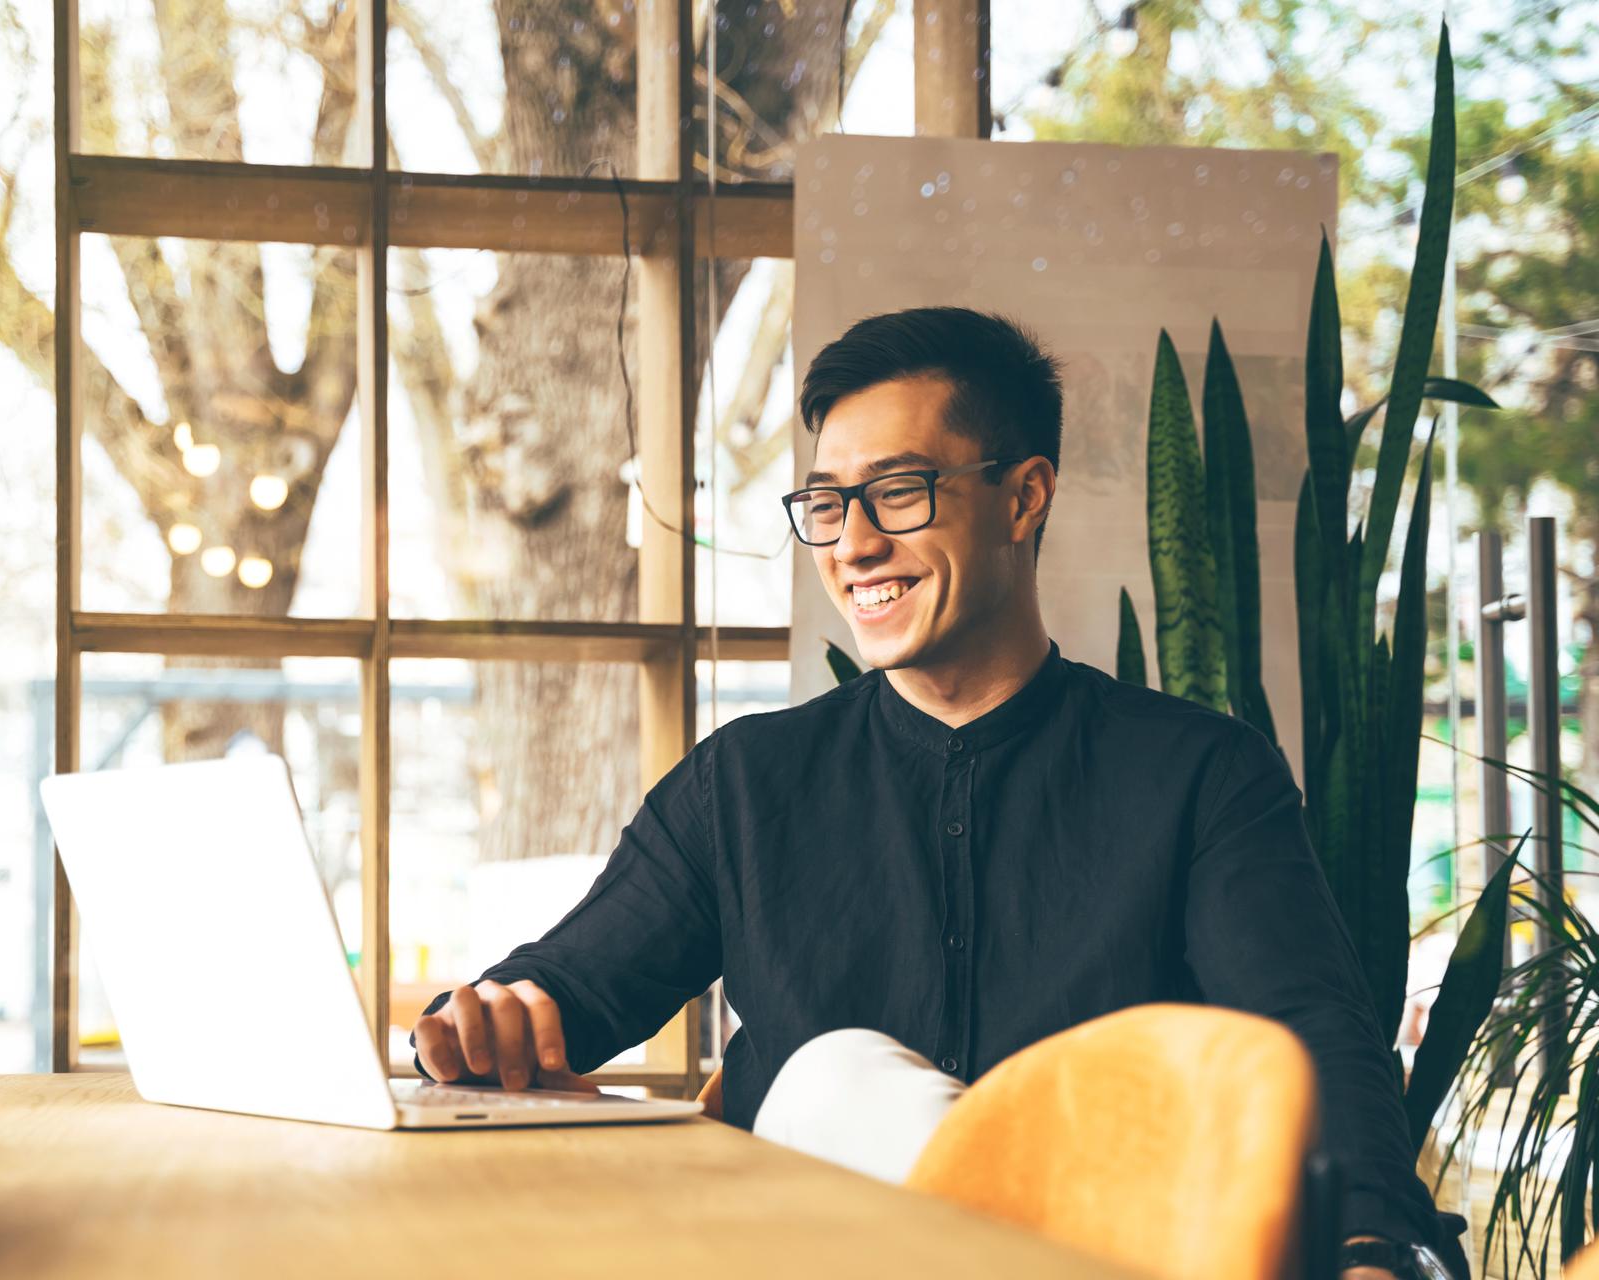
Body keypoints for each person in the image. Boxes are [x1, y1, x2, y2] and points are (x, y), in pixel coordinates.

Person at [409, 307, 1466, 1280]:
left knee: (838, 1078)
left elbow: (1312, 1039)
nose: (855, 543)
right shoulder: (742, 786)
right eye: (826, 504)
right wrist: (485, 1023)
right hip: (813, 1256)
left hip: (1100, 1251)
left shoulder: (1198, 775)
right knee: (837, 1081)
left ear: (1024, 494)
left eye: (899, 492)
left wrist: (1374, 1247)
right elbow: (561, 992)